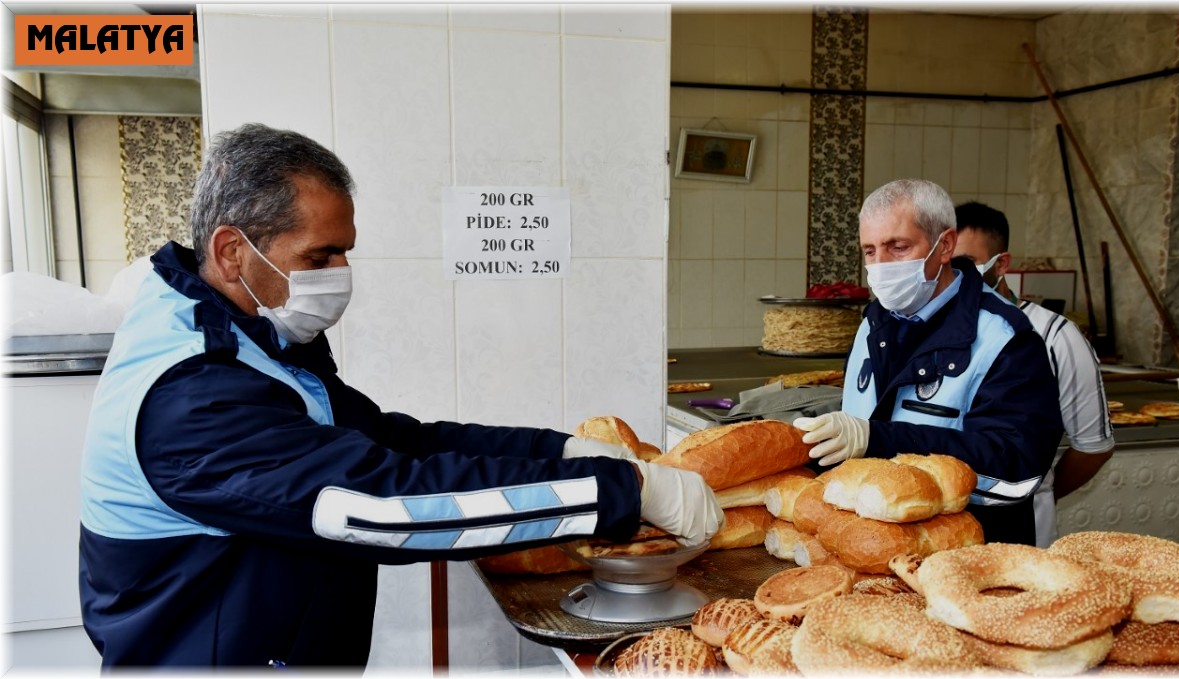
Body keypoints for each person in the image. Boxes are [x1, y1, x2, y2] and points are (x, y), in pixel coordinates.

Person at [77, 123, 723, 668]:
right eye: (321, 255)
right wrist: (624, 492)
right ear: (230, 251)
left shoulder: (253, 342)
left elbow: (398, 441)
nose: (341, 277)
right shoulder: (193, 394)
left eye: (345, 254)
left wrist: (564, 448)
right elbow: (384, 504)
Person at [792, 179, 1063, 546]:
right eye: (870, 251)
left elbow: (1016, 465)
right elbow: (863, 417)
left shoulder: (1004, 338)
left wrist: (879, 440)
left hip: (969, 551)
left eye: (898, 247)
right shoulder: (874, 322)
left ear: (945, 245)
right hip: (874, 542)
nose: (881, 266)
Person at [954, 200, 1115, 548]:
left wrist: (1037, 491)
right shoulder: (936, 333)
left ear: (1002, 264)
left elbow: (1093, 448)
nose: (956, 275)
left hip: (1020, 532)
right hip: (945, 529)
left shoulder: (1055, 336)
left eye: (966, 263)